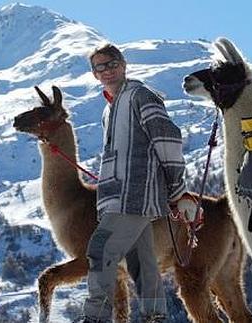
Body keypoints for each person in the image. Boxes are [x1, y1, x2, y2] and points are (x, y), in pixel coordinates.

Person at [81, 43, 190, 323]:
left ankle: (95, 318)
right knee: (141, 262)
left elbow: (168, 139)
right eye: (99, 67)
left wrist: (177, 189)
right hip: (118, 195)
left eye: (112, 63)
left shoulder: (141, 95)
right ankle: (156, 317)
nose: (107, 70)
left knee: (101, 249)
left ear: (124, 64)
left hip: (135, 194)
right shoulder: (110, 109)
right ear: (94, 74)